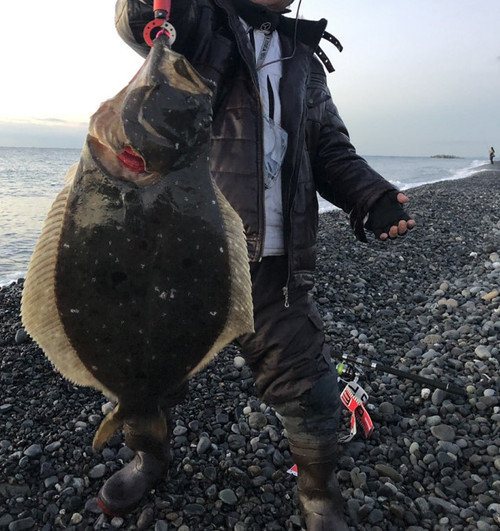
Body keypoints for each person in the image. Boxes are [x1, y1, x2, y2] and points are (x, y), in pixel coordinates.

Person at [99, 0, 416, 528]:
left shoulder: (302, 61)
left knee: (308, 385)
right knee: (144, 374)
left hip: (274, 269)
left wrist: (370, 196)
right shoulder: (201, 26)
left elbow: (331, 150)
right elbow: (137, 21)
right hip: (188, 258)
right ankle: (148, 456)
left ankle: (318, 493)